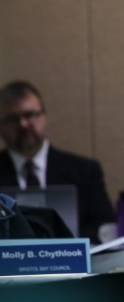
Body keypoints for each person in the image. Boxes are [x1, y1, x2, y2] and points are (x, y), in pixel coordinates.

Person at [0, 80, 116, 242]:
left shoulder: (84, 171)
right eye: (13, 119)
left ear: (44, 116)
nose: (23, 124)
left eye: (29, 115)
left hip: (73, 262)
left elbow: (105, 226)